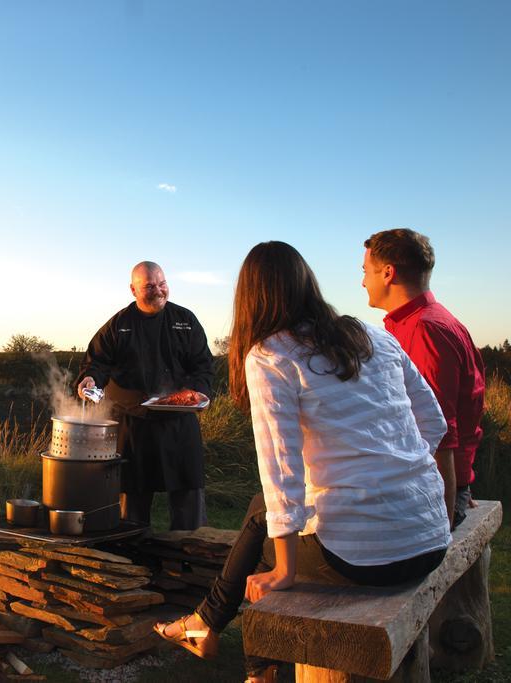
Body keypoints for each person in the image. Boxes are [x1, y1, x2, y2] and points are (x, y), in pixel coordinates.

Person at [154, 242, 451, 683]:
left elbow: (280, 468)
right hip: (429, 538)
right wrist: (399, 473)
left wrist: (286, 571)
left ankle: (243, 660)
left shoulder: (272, 354)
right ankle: (211, 632)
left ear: (250, 297)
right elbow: (435, 423)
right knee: (264, 517)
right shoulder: (373, 334)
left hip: (367, 555)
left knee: (265, 556)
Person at [75, 261, 214, 530]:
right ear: (133, 290)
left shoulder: (185, 320)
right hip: (133, 423)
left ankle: (192, 555)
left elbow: (203, 365)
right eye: (149, 286)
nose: (158, 291)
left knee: (189, 498)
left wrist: (197, 393)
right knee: (132, 502)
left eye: (162, 284)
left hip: (179, 422)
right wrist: (90, 378)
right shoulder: (119, 324)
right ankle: (132, 558)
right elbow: (96, 363)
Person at [363, 228, 486, 529]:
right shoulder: (434, 320)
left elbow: (439, 429)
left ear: (388, 273)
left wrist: (445, 507)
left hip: (429, 494)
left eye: (366, 271)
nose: (363, 281)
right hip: (438, 485)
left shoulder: (423, 331)